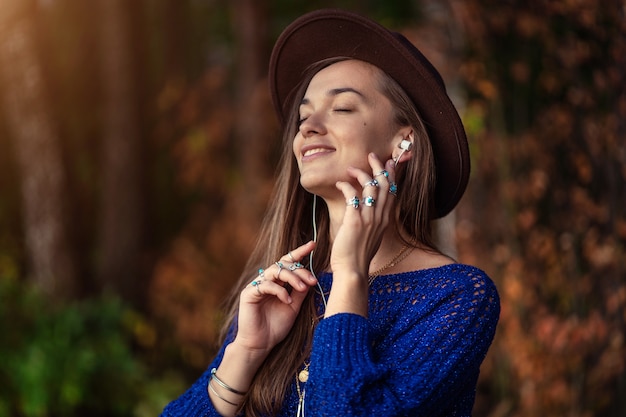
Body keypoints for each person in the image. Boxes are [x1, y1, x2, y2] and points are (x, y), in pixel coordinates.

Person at [161, 8, 499, 417]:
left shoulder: (457, 297)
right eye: (303, 116)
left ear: (403, 141)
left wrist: (351, 275)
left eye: (341, 108)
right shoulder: (285, 292)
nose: (308, 127)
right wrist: (246, 352)